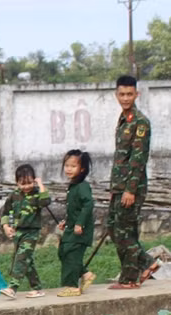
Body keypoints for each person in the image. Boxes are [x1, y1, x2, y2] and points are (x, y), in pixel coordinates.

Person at [107, 75, 159, 289]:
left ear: (137, 94)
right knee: (115, 228)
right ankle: (138, 270)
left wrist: (130, 190)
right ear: (116, 95)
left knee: (123, 232)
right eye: (122, 94)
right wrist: (115, 188)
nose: (125, 98)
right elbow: (121, 157)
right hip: (119, 186)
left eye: (130, 94)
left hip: (132, 187)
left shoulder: (140, 122)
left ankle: (136, 273)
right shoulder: (123, 119)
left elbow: (138, 159)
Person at [0, 165, 51, 299]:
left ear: (34, 180)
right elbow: (7, 213)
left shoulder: (37, 194)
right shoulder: (14, 196)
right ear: (17, 183)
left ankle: (12, 288)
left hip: (31, 233)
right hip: (18, 232)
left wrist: (40, 185)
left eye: (29, 182)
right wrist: (7, 227)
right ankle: (37, 288)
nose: (26, 186)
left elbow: (45, 201)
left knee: (21, 259)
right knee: (27, 261)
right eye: (23, 184)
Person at [57, 150, 96, 297]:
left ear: (82, 169)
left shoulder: (83, 186)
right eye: (66, 165)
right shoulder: (73, 186)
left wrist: (80, 223)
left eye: (73, 166)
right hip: (72, 227)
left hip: (81, 229)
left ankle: (72, 286)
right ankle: (86, 274)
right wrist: (66, 222)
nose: (68, 169)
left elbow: (88, 205)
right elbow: (75, 208)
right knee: (63, 252)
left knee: (72, 254)